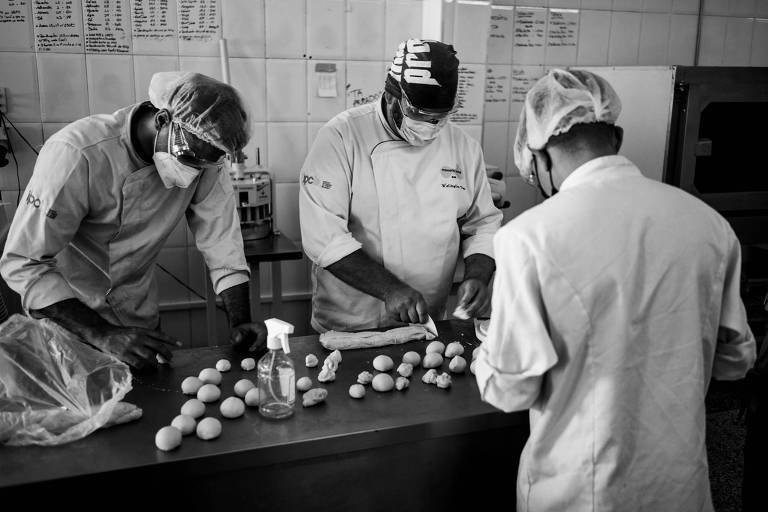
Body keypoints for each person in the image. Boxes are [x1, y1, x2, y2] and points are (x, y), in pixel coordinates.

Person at [474, 69, 756, 511]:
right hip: (680, 484)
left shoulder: (529, 237)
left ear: (539, 156)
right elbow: (736, 360)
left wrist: (485, 353)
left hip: (581, 490)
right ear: (617, 137)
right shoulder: (708, 225)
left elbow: (512, 390)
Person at [0, 71, 267, 368]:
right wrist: (101, 333)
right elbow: (24, 261)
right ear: (163, 120)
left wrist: (241, 321)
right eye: (190, 158)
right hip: (69, 329)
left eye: (208, 161)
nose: (196, 170)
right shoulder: (79, 153)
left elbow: (222, 244)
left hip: (139, 322)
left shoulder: (205, 157)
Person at [299, 38, 502, 332]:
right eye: (419, 114)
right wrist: (390, 290)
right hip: (352, 322)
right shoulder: (342, 137)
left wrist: (478, 276)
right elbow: (325, 238)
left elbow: (483, 223)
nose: (430, 127)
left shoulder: (463, 148)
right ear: (391, 95)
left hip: (428, 320)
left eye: (440, 117)